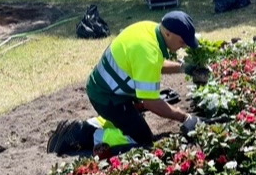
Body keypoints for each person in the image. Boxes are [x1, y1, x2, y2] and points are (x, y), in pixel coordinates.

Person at [47, 11, 211, 155]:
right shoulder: (148, 53)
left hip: (107, 87)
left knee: (130, 120)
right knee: (141, 140)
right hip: (107, 97)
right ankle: (82, 133)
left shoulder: (151, 30)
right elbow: (151, 101)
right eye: (182, 42)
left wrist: (185, 68)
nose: (183, 46)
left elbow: (155, 65)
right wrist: (183, 117)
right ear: (168, 34)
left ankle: (96, 123)